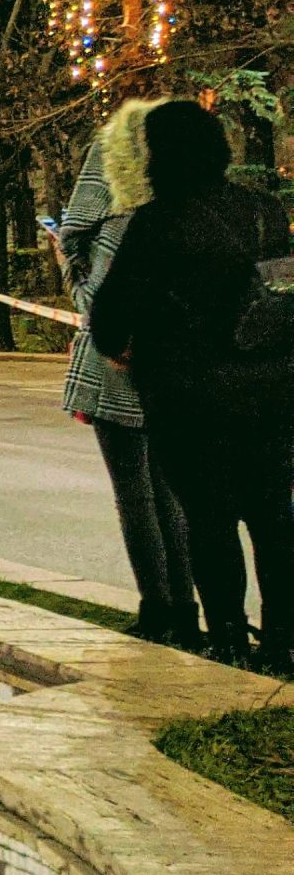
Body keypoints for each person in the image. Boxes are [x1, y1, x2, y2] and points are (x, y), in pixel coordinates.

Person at [91, 99, 294, 668]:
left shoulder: (158, 223)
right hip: (272, 390)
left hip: (190, 399)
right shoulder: (263, 212)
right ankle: (283, 641)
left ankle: (227, 636)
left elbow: (110, 317)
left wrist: (126, 351)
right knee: (274, 518)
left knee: (209, 521)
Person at [55, 99, 197, 644]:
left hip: (120, 368)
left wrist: (71, 267)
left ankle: (160, 609)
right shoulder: (182, 214)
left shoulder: (116, 225)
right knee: (170, 494)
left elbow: (92, 296)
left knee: (136, 496)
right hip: (173, 369)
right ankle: (184, 609)